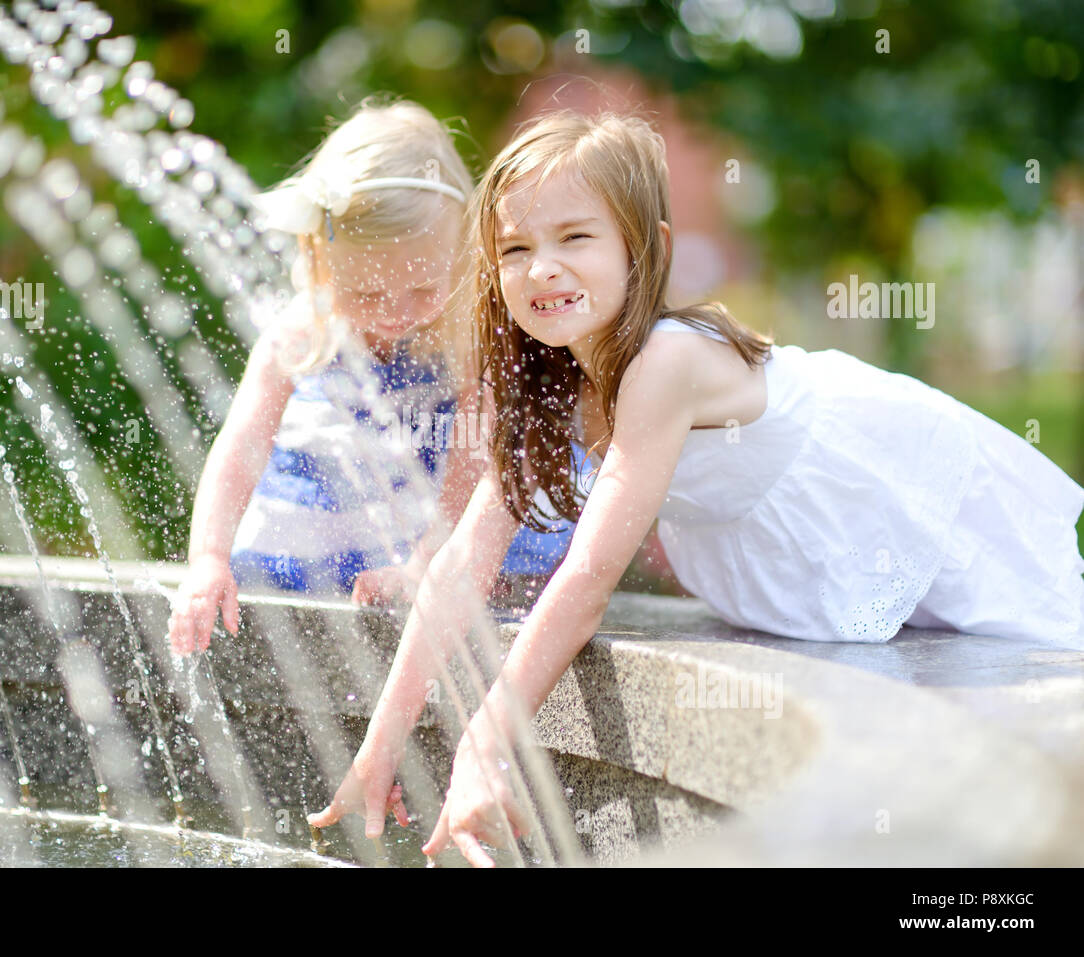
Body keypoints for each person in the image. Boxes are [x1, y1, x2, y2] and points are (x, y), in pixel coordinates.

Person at [308, 110, 1084, 865]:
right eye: (515, 247)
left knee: (1030, 650)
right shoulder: (551, 384)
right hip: (785, 524)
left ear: (644, 247)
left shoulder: (665, 361)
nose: (542, 266)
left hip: (877, 475)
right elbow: (458, 565)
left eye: (575, 236)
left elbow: (585, 578)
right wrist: (379, 750)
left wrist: (487, 745)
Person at [168, 99, 571, 656]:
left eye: (423, 289)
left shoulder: (467, 335)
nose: (395, 312)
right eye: (364, 293)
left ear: (460, 257)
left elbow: (476, 460)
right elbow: (242, 444)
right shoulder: (302, 330)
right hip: (320, 525)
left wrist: (426, 566)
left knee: (501, 563)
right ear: (317, 260)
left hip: (433, 525)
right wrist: (209, 558)